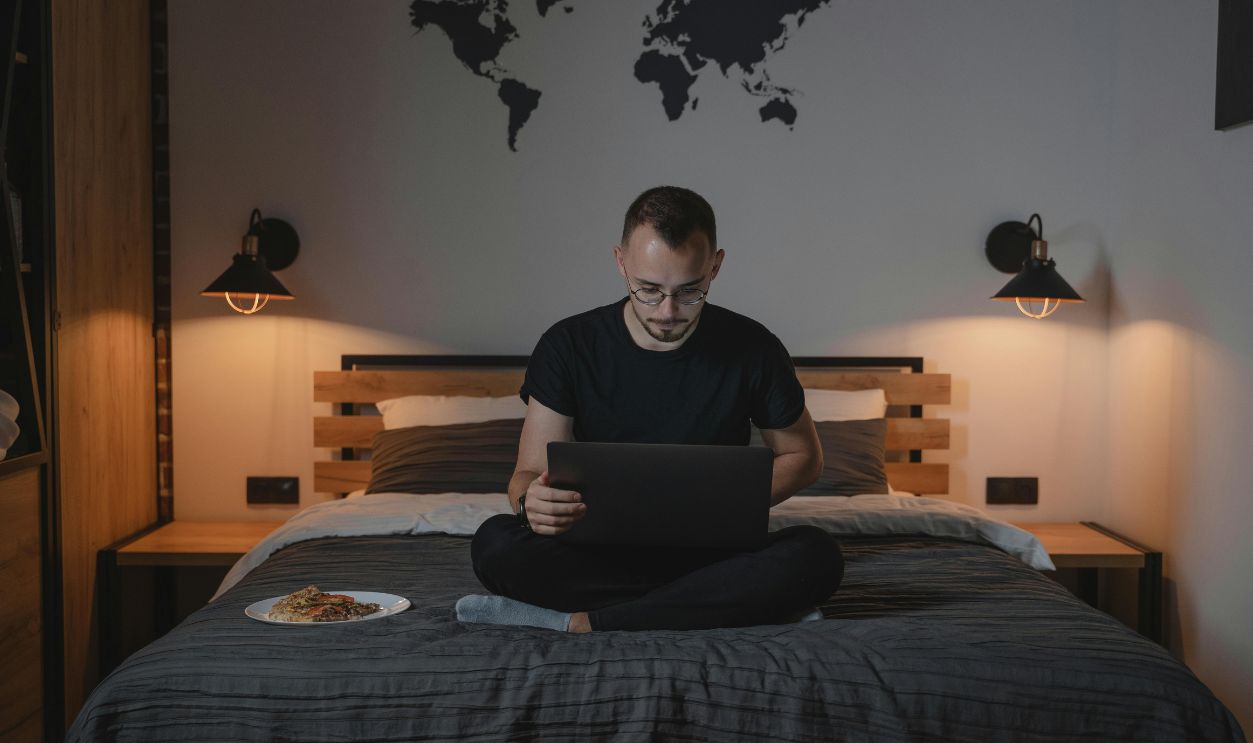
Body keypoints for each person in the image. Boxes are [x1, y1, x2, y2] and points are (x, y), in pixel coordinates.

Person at [456, 186, 844, 633]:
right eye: (648, 290)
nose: (667, 311)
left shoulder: (754, 347)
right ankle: (709, 605)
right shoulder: (568, 345)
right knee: (495, 543)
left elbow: (804, 457)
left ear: (715, 266)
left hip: (712, 551)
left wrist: (723, 507)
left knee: (816, 554)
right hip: (599, 554)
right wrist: (531, 504)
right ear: (621, 263)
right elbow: (526, 474)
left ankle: (589, 621)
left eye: (689, 291)